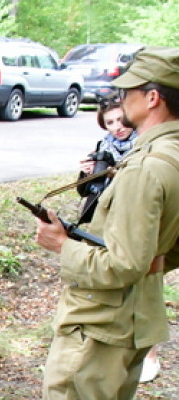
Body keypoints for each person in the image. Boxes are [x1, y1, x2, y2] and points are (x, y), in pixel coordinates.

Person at [0, 47, 179, 400]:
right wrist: (150, 258)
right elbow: (147, 253)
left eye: (128, 92)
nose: (119, 100)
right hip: (136, 318)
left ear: (153, 99)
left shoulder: (149, 167)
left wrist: (62, 246)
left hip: (100, 322)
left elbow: (120, 262)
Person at [75, 98, 161, 382]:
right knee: (107, 283)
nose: (118, 128)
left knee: (143, 284)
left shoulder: (147, 149)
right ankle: (106, 345)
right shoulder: (103, 147)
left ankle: (149, 355)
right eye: (110, 123)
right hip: (104, 223)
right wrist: (88, 172)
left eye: (121, 121)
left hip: (135, 223)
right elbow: (86, 192)